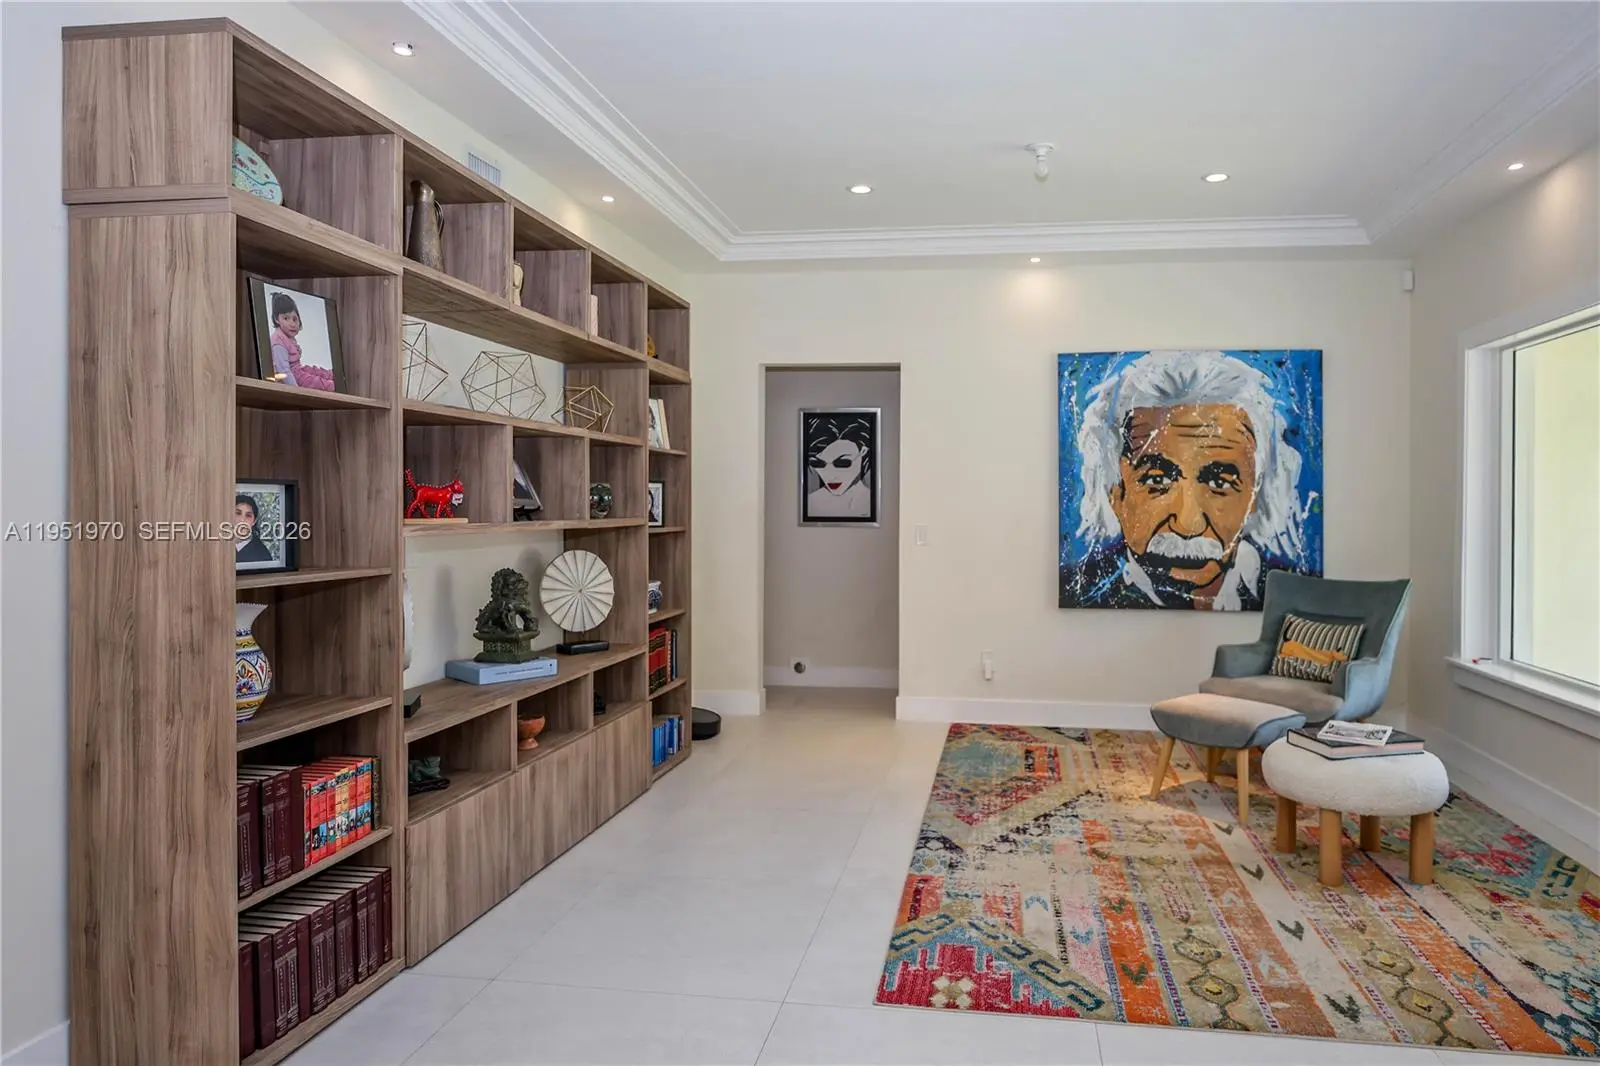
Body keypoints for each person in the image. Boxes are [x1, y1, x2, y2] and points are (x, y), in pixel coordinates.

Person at [1062, 349, 1310, 610]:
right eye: (1157, 481)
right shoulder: (1079, 589)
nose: (1188, 524)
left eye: (1219, 484)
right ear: (1115, 493)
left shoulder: (1300, 599)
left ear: (1255, 497)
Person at [804, 416, 874, 520]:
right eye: (819, 464)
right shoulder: (810, 502)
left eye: (842, 463)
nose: (830, 476)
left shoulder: (874, 502)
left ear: (863, 452)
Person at [268, 290, 336, 391]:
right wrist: (296, 391)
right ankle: (333, 386)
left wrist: (297, 352)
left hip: (297, 370)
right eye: (286, 318)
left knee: (314, 371)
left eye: (294, 319)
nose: (292, 324)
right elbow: (284, 371)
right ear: (276, 319)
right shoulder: (278, 341)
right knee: (315, 381)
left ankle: (333, 376)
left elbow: (292, 359)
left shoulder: (288, 337)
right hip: (292, 377)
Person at [234, 495, 275, 565]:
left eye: (248, 515)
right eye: (238, 513)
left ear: (254, 521)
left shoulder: (262, 556)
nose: (242, 519)